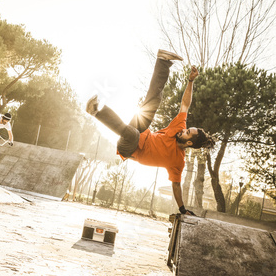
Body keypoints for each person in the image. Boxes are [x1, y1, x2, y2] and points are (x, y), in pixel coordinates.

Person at [86, 49, 215, 216]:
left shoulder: (178, 162)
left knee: (132, 134)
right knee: (153, 101)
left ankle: (95, 111)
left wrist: (182, 209)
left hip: (129, 147)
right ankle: (163, 61)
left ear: (189, 142)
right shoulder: (178, 128)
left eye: (187, 132)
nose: (184, 129)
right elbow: (185, 105)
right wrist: (190, 81)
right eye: (186, 128)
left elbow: (176, 185)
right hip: (140, 130)